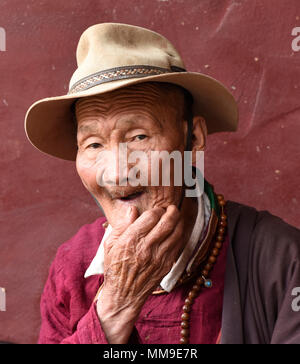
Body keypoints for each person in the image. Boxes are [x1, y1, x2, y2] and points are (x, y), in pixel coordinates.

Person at [25, 23, 300, 344]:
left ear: (192, 138)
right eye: (94, 144)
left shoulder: (281, 261)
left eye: (139, 136)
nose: (116, 173)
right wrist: (115, 306)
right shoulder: (73, 266)